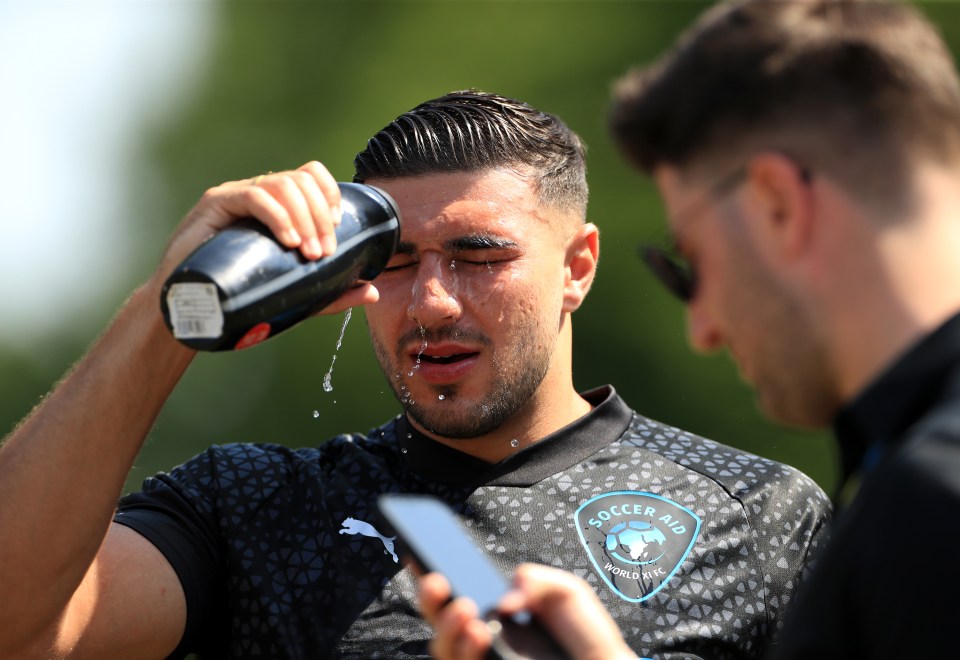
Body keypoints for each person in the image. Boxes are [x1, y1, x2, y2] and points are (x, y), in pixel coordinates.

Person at [0, 90, 829, 659]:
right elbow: (17, 630)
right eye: (395, 264)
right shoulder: (251, 506)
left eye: (479, 255)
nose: (431, 301)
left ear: (577, 267)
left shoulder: (757, 513)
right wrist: (166, 310)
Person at [422, 1, 960, 658]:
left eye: (691, 266)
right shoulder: (905, 473)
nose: (701, 329)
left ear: (777, 205)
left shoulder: (933, 496)